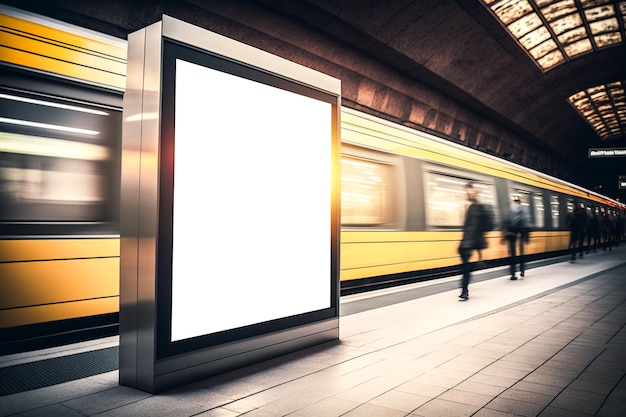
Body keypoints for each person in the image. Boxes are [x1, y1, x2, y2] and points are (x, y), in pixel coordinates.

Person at [458, 183, 494, 300]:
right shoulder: (467, 206)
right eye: (468, 191)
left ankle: (464, 290)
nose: (469, 193)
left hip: (471, 241)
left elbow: (488, 225)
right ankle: (465, 288)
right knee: (465, 267)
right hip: (467, 241)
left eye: (472, 192)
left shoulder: (478, 207)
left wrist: (476, 236)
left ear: (476, 194)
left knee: (466, 267)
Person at [503, 195, 530, 280]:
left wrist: (504, 234)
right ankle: (522, 271)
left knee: (512, 254)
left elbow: (505, 222)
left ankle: (513, 274)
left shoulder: (509, 211)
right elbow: (526, 223)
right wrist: (526, 235)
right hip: (521, 234)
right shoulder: (523, 211)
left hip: (512, 234)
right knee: (521, 253)